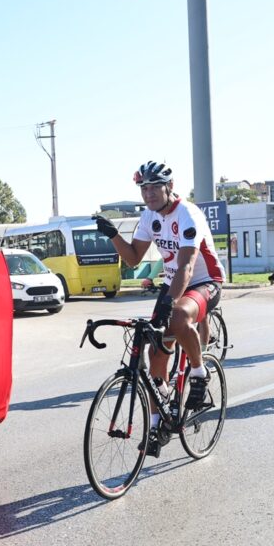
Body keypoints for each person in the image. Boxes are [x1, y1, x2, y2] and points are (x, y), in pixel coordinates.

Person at [93, 161, 223, 459]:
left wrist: (169, 301)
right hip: (174, 284)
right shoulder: (149, 217)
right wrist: (113, 234)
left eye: (154, 187)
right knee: (154, 353)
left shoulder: (188, 213)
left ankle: (199, 373)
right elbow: (134, 259)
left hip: (205, 281)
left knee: (178, 317)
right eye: (144, 188)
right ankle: (156, 424)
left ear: (169, 187)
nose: (148, 194)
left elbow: (188, 265)